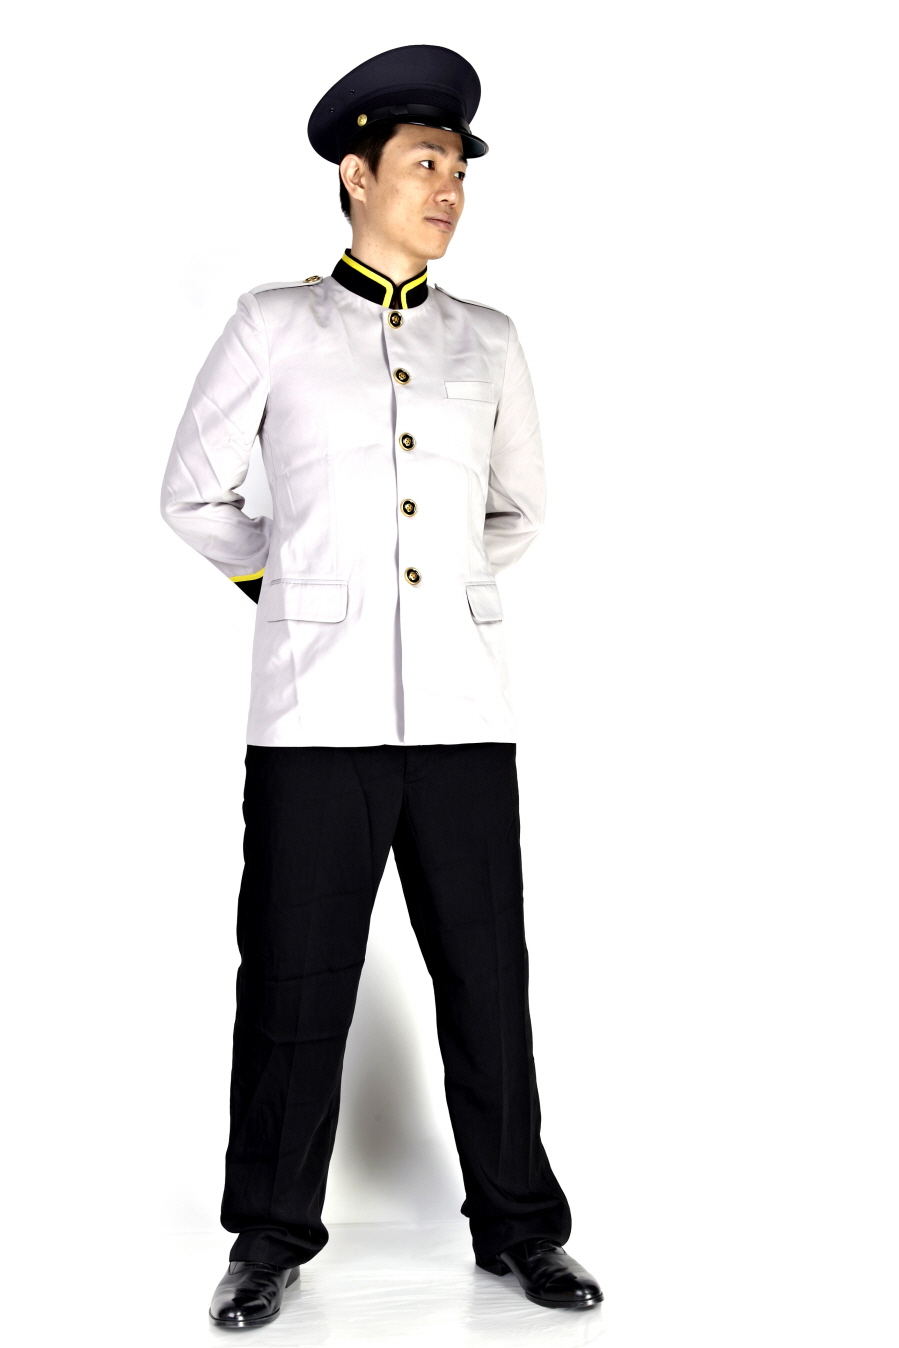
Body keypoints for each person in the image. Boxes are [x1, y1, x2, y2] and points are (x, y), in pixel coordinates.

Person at [160, 43, 602, 1330]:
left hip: (462, 711)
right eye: (424, 164)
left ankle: (520, 1228)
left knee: (487, 979)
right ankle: (266, 1238)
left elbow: (519, 509)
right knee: (292, 983)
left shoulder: (488, 340)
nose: (447, 188)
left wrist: (437, 592)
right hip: (314, 713)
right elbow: (191, 494)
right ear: (356, 176)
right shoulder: (273, 325)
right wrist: (296, 587)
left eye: (458, 169)